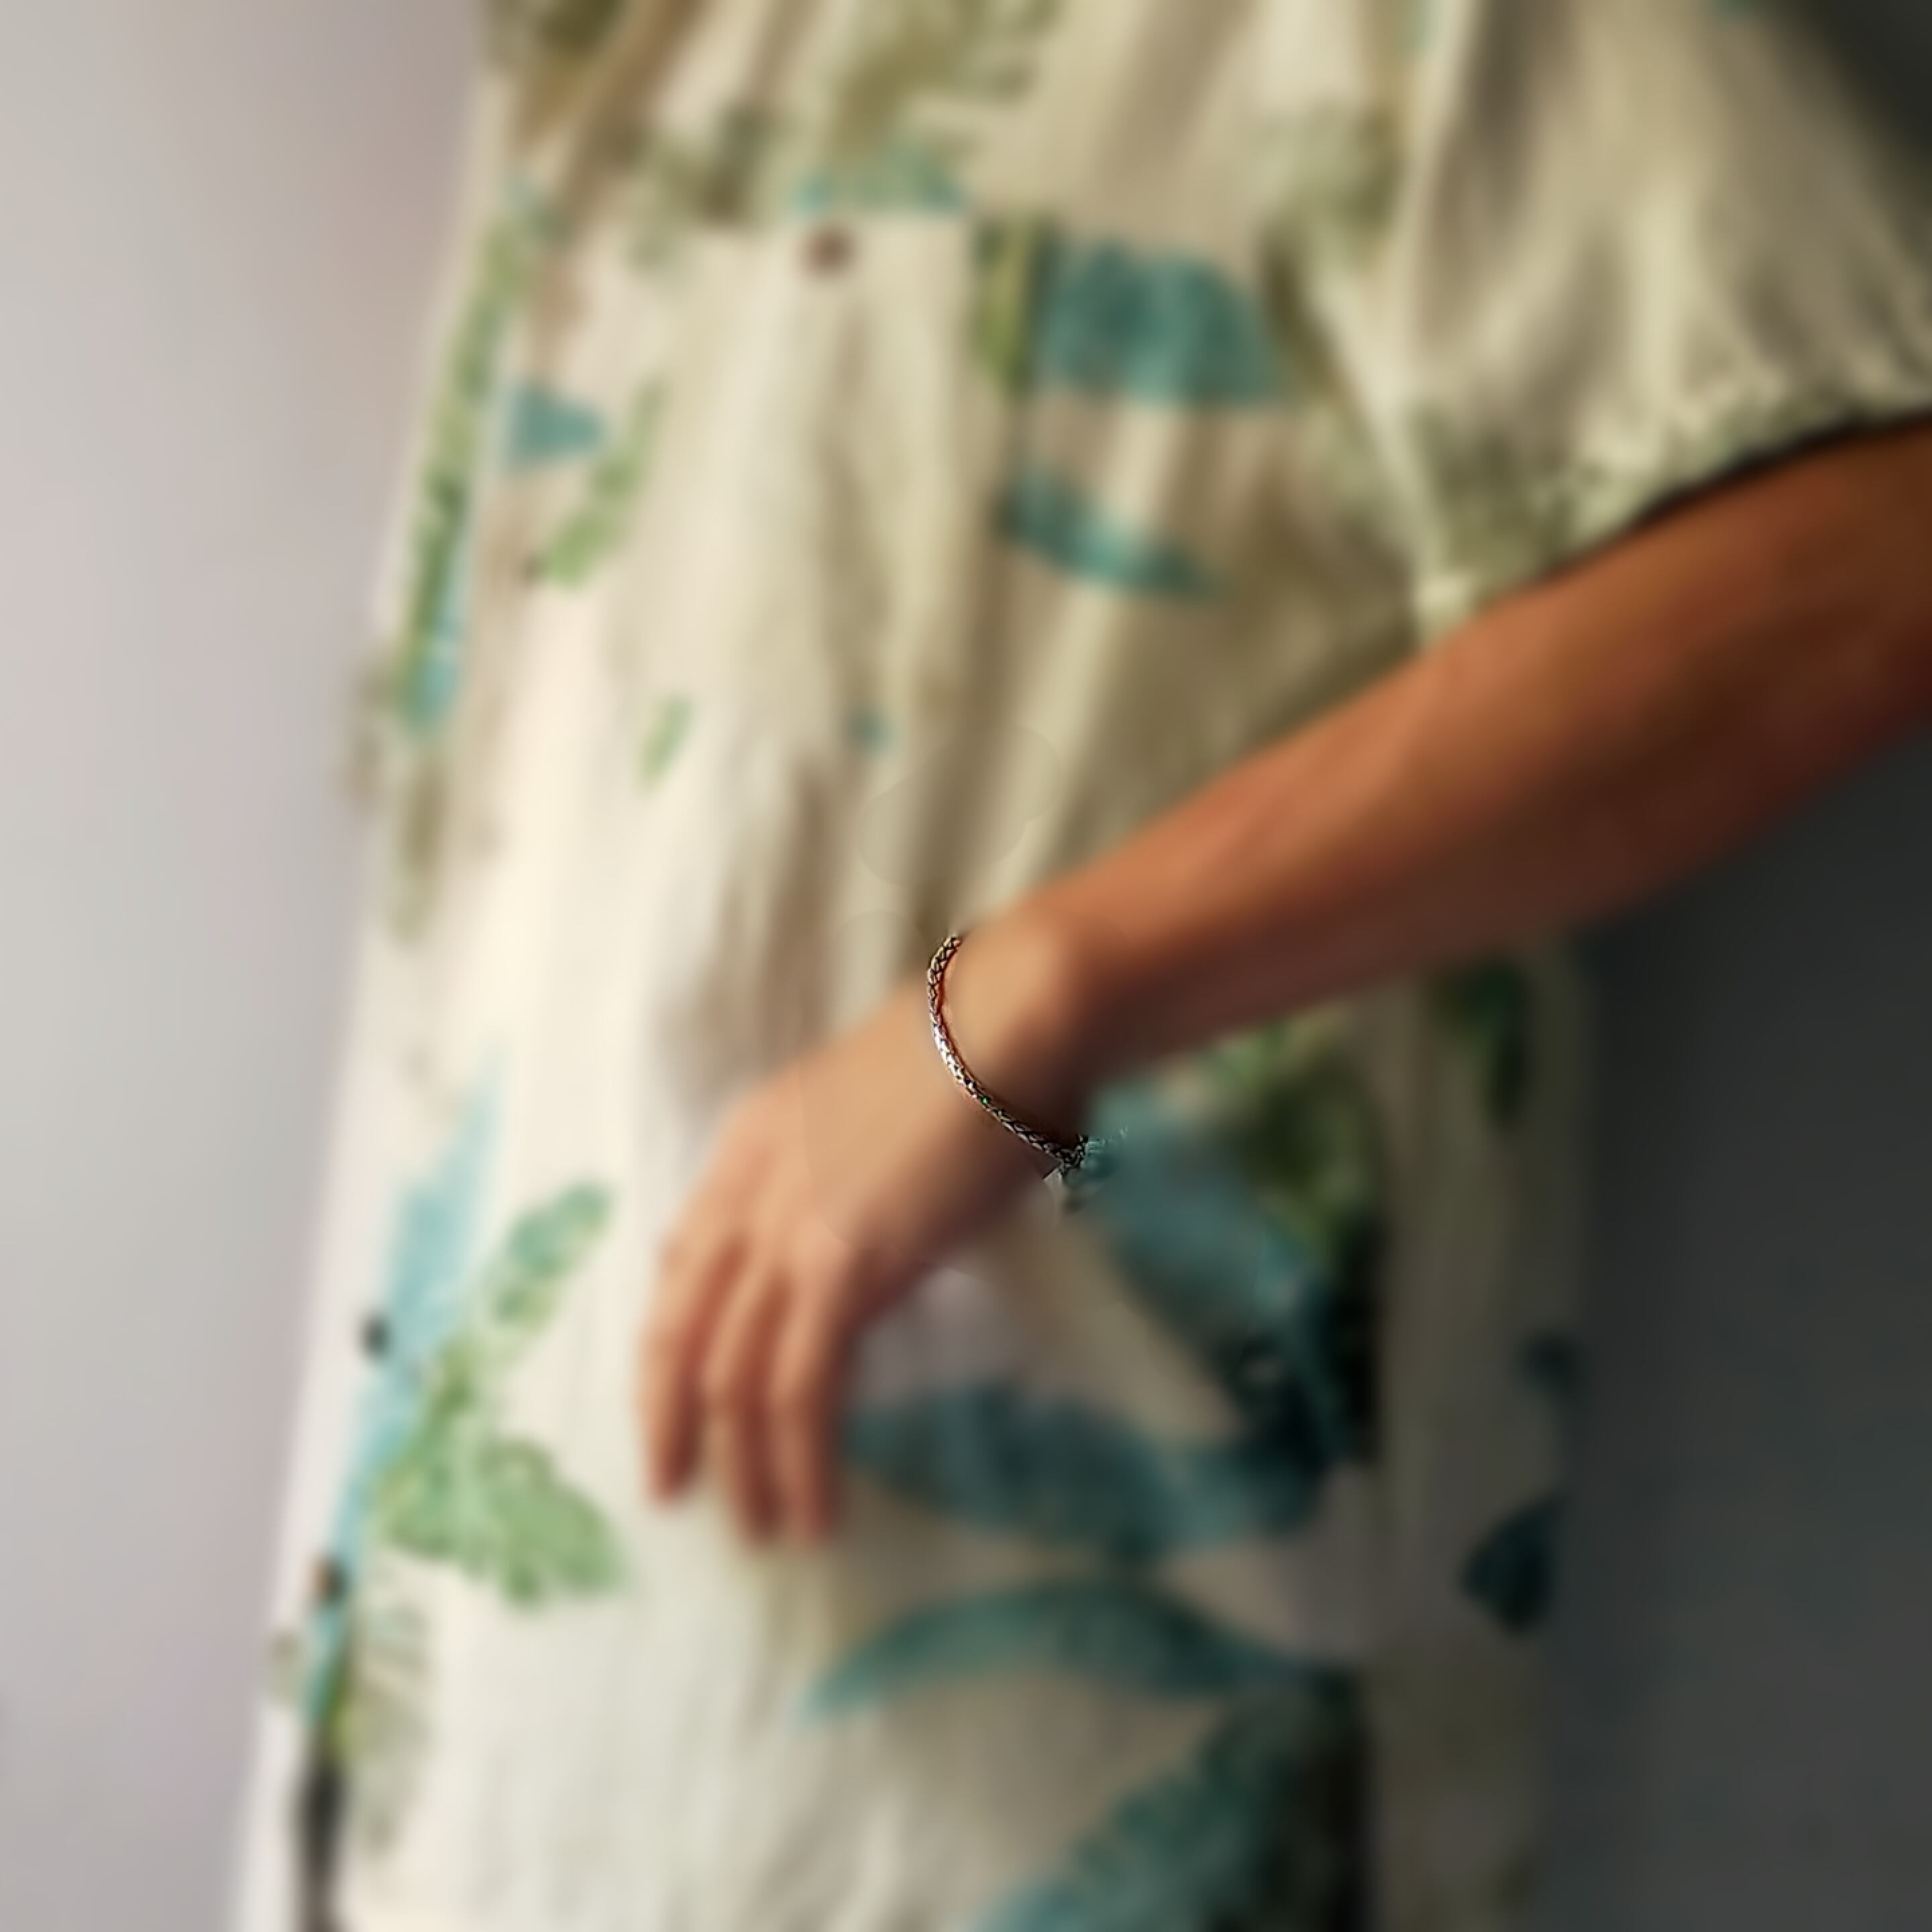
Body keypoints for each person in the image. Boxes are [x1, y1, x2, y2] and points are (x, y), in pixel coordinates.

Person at [234, 3, 1932, 1928]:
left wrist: (1051, 987)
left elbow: (1870, 541)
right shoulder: (594, 70)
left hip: (1032, 1823)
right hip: (479, 1814)